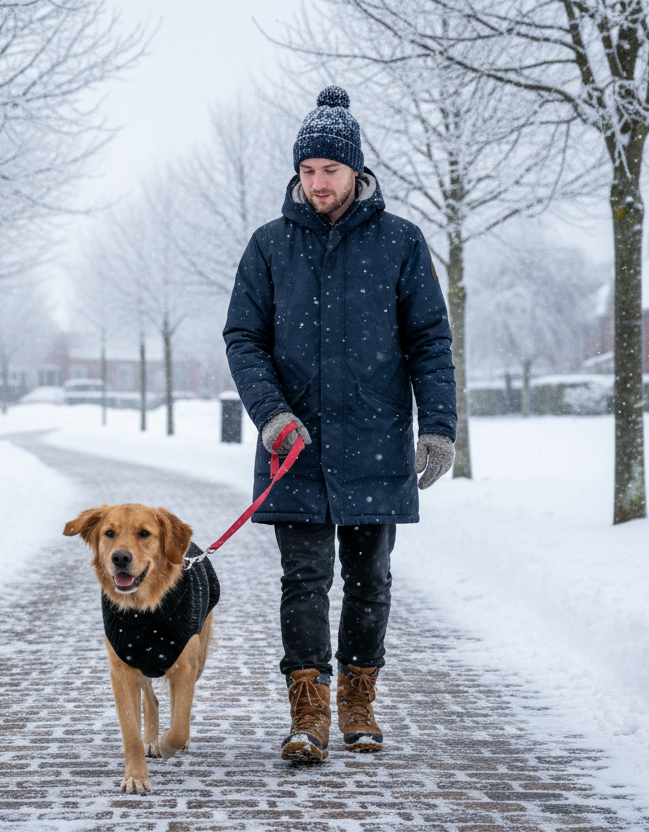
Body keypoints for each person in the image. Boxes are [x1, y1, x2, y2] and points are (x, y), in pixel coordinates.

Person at [223, 85, 457, 761]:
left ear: (357, 170)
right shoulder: (269, 246)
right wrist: (270, 417)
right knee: (303, 582)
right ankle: (309, 714)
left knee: (369, 579)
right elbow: (244, 338)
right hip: (295, 448)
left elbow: (430, 342)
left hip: (375, 443)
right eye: (307, 170)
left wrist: (437, 425)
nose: (317, 182)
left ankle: (358, 700)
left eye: (329, 169)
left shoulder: (401, 243)